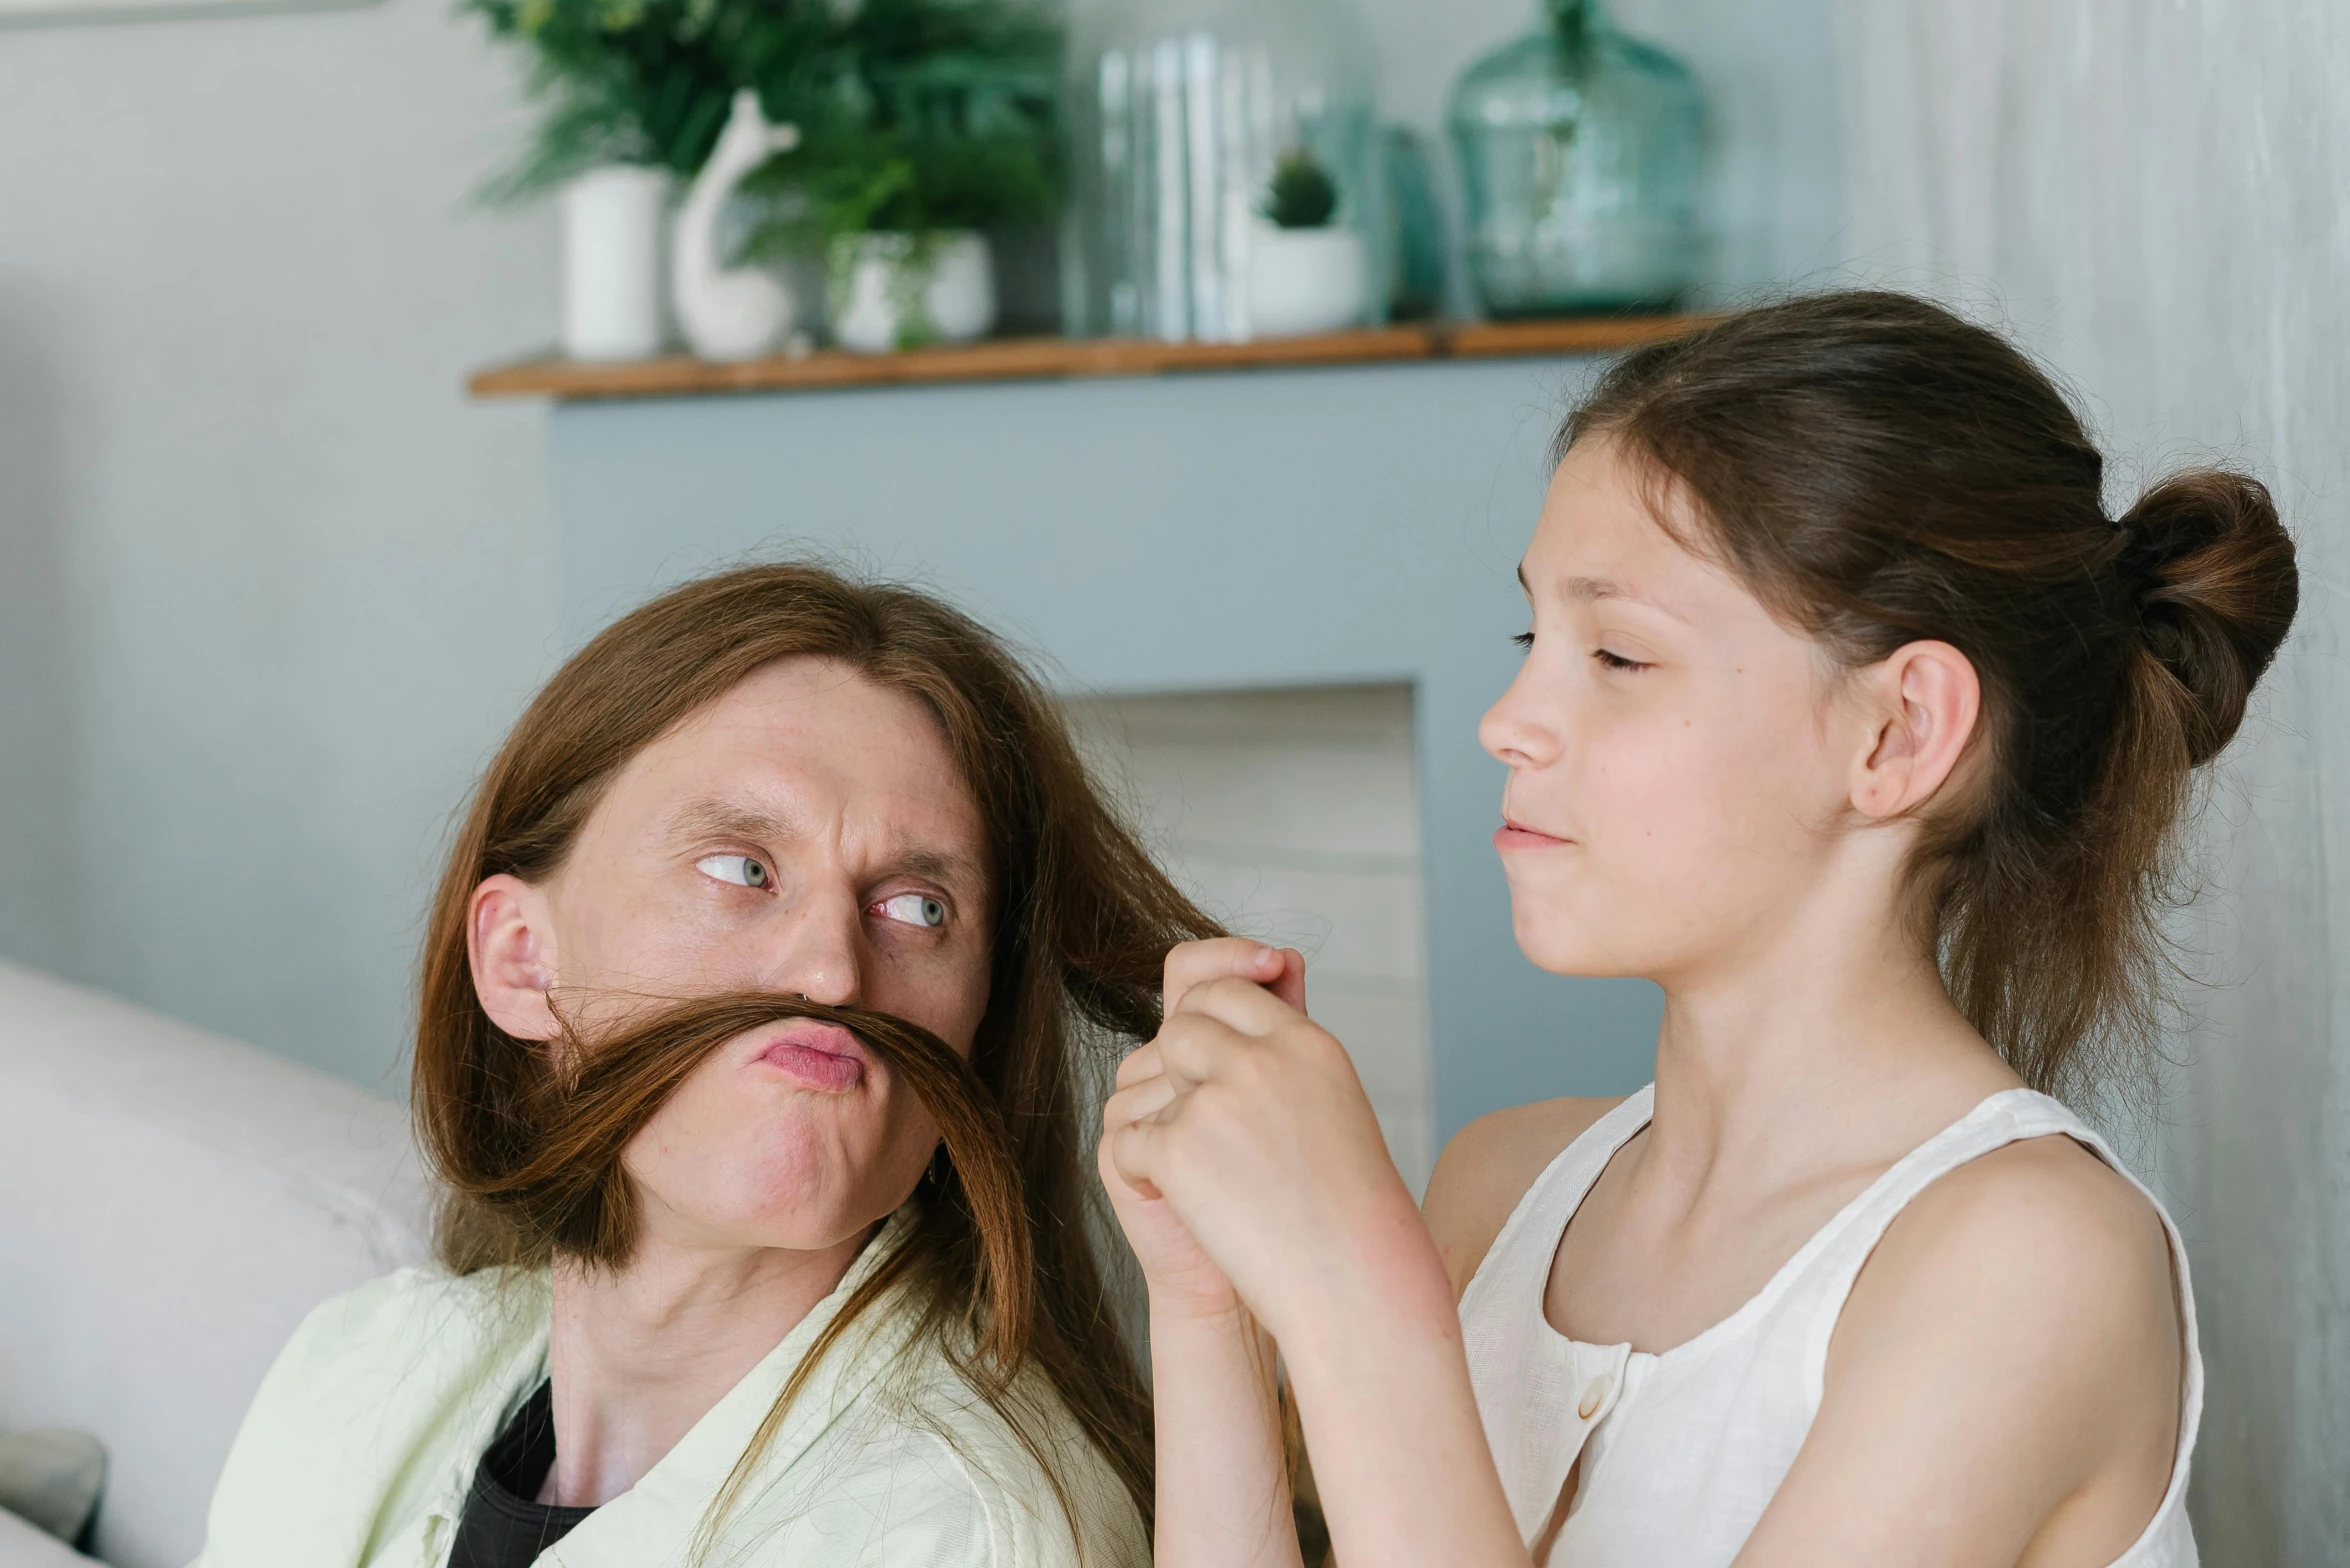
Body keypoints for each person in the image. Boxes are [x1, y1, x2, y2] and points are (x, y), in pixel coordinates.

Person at [1103, 292, 2301, 1568]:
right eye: (1532, 634)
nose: (1508, 717)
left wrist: (1353, 1290)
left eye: (1616, 654)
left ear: (1894, 733)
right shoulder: (1498, 1187)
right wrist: (1209, 1298)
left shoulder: (2030, 1264)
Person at [197, 563, 1217, 1568]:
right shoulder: (355, 1366)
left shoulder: (962, 1536)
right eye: (742, 868)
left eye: (917, 906)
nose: (830, 971)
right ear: (519, 958)